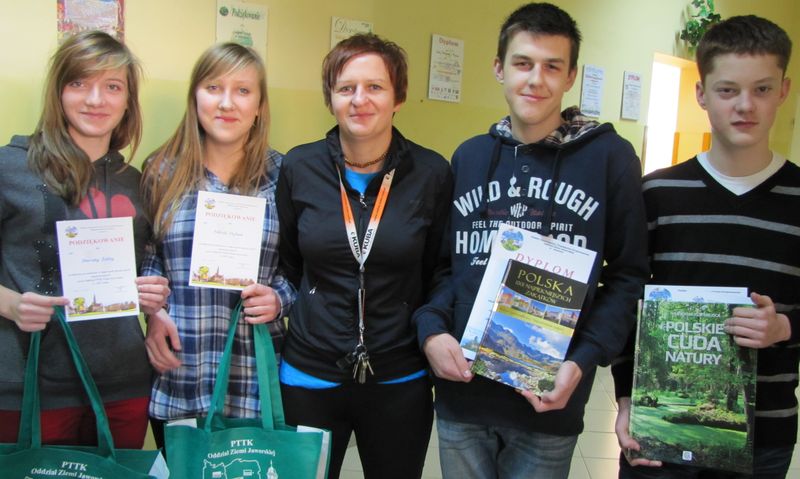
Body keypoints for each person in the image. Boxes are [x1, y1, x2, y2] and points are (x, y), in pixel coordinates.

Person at [413, 3, 650, 478]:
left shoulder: (610, 159)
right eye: (522, 63)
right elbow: (444, 268)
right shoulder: (470, 157)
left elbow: (628, 278)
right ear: (499, 68)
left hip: (549, 402)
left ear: (571, 76)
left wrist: (582, 362)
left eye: (552, 67)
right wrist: (432, 331)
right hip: (463, 397)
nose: (535, 79)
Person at [612, 15, 797, 479]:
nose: (745, 105)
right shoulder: (657, 193)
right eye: (727, 90)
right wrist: (627, 400)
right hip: (657, 431)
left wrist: (783, 327)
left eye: (762, 89)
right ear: (701, 94)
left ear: (784, 90)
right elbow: (625, 298)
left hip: (764, 434)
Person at [276, 33, 452, 479]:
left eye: (375, 87)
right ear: (330, 97)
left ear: (398, 98)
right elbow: (290, 263)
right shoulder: (299, 167)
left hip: (400, 376)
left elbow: (440, 270)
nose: (360, 100)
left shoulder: (431, 173)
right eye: (346, 88)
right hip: (310, 374)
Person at [0, 31, 170, 448]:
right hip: (28, 386)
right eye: (79, 83)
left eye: (112, 87)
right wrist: (11, 304)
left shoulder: (137, 182)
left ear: (128, 101)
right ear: (58, 92)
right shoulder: (9, 167)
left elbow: (144, 268)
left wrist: (154, 298)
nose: (96, 100)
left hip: (123, 384)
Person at [140, 42, 293, 448]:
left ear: (259, 105)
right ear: (195, 97)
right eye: (213, 88)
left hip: (255, 379)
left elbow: (303, 267)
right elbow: (151, 256)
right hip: (180, 371)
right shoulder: (160, 171)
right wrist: (153, 311)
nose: (227, 103)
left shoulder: (285, 176)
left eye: (242, 90)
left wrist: (279, 298)